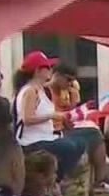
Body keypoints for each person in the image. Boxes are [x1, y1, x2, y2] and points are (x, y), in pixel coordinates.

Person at [13, 52, 85, 183]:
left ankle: (59, 179)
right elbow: (27, 119)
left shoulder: (40, 89)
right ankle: (57, 181)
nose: (51, 70)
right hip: (31, 142)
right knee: (68, 148)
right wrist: (51, 115)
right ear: (38, 71)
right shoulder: (30, 91)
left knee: (79, 143)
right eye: (47, 67)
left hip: (45, 137)